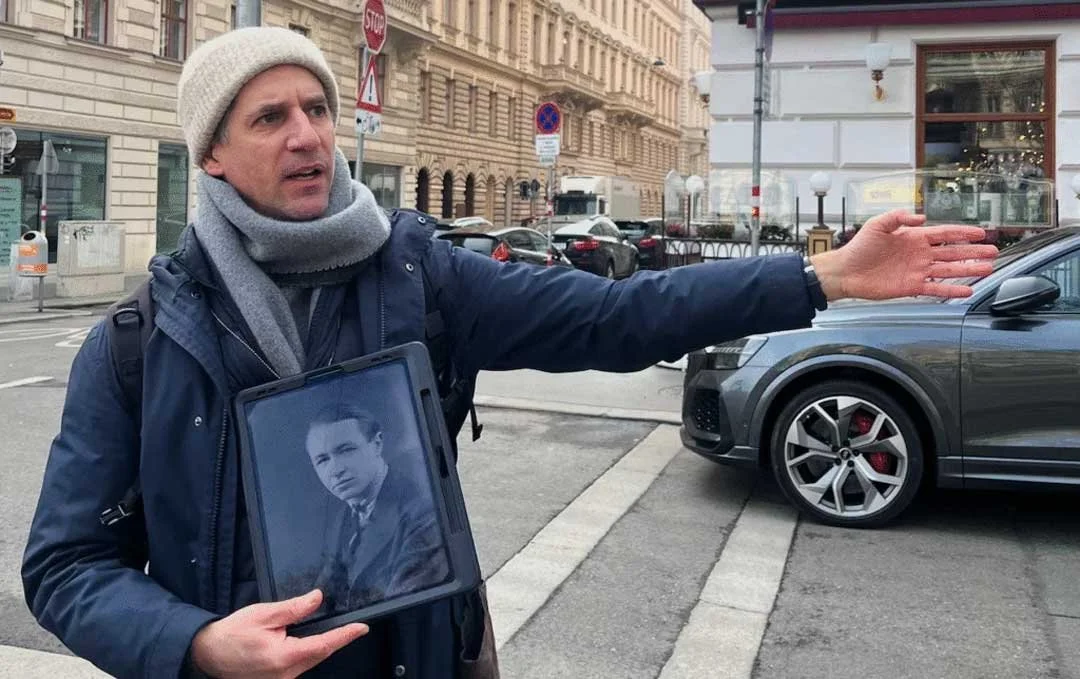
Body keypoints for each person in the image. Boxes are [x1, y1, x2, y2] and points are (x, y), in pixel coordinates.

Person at [21, 26, 997, 679]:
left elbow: (617, 319)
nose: (309, 134)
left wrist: (815, 279)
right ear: (215, 157)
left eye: (316, 109)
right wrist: (194, 644)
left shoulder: (416, 271)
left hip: (421, 657)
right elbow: (67, 565)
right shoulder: (145, 334)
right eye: (270, 117)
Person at [302, 404, 449, 615]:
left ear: (377, 444)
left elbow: (401, 609)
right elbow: (322, 596)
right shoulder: (346, 515)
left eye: (346, 450)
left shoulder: (424, 513)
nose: (335, 470)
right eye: (323, 460)